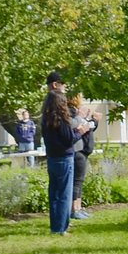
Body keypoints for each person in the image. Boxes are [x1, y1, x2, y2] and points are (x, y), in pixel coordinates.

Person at [41, 92, 84, 235]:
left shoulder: (46, 119)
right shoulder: (62, 119)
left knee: (54, 195)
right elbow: (68, 140)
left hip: (52, 158)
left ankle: (55, 227)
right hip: (64, 159)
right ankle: (62, 228)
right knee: (65, 195)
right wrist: (80, 132)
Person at [67, 93, 100, 221]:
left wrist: (94, 121)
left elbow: (87, 128)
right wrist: (84, 117)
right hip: (78, 150)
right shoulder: (72, 113)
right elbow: (75, 126)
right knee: (77, 181)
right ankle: (74, 209)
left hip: (83, 150)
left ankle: (79, 207)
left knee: (80, 181)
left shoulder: (78, 114)